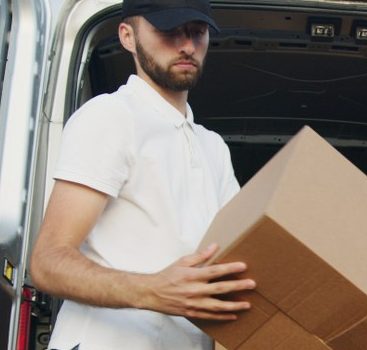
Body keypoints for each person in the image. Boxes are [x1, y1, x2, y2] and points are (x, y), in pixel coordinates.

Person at [29, 1, 256, 349]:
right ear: (128, 36)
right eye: (169, 31)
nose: (186, 45)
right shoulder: (111, 117)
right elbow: (47, 262)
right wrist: (154, 289)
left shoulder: (213, 147)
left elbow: (240, 261)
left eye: (197, 32)